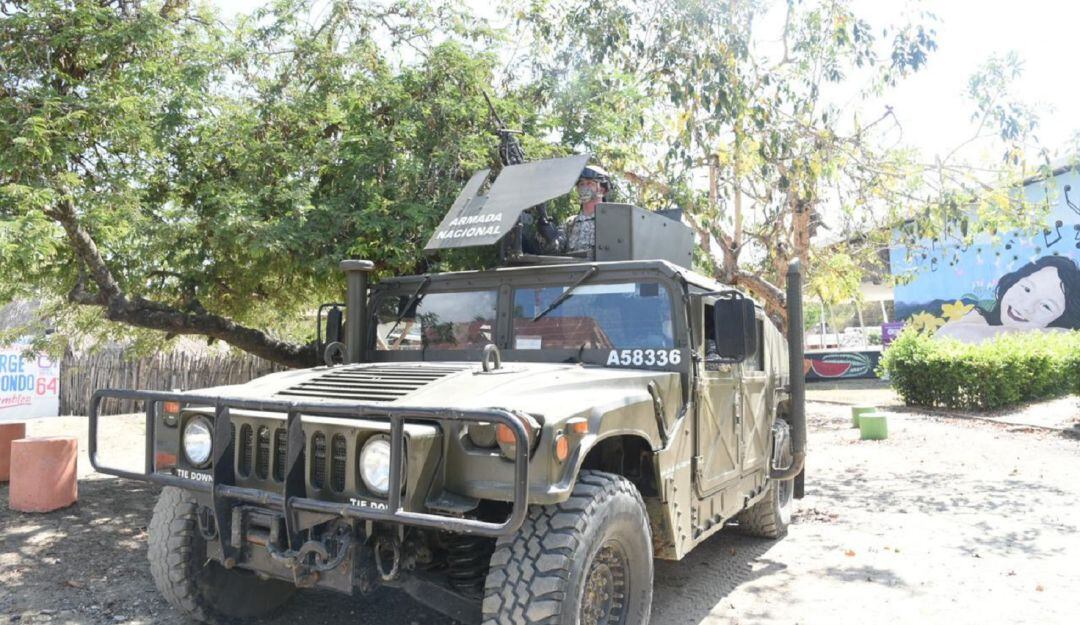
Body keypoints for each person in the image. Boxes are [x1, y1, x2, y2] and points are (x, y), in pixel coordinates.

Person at [935, 255, 1080, 343]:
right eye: (1027, 289)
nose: (1026, 306)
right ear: (1014, 282)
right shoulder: (978, 317)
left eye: (1046, 306)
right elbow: (946, 336)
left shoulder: (1062, 338)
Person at [531, 165, 611, 258]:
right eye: (581, 184)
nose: (584, 187)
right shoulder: (570, 223)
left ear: (602, 189)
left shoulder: (611, 220)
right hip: (574, 272)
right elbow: (555, 251)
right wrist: (549, 235)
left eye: (590, 183)